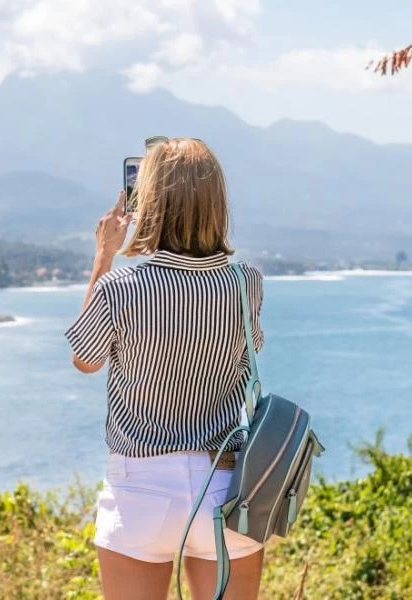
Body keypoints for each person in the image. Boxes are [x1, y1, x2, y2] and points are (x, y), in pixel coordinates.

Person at [65, 137, 265, 599]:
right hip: (225, 486)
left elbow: (85, 358)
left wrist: (103, 256)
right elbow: (249, 352)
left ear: (150, 201)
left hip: (140, 489)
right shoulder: (245, 283)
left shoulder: (122, 286)